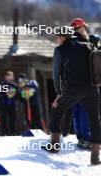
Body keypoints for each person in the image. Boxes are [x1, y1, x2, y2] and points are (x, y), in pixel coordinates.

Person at [44, 19, 101, 165]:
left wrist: (58, 94)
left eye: (58, 36)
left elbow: (56, 75)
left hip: (73, 90)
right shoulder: (88, 46)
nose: (57, 39)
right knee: (94, 120)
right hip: (92, 90)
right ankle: (95, 157)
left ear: (63, 37)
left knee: (57, 110)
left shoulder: (60, 50)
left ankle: (54, 146)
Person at [0, 71, 18, 135]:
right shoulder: (1, 85)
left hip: (12, 105)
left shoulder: (14, 85)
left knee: (13, 119)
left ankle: (13, 132)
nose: (10, 77)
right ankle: (5, 133)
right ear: (6, 76)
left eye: (11, 75)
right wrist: (5, 96)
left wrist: (14, 95)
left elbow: (17, 95)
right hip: (4, 105)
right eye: (9, 75)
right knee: (4, 120)